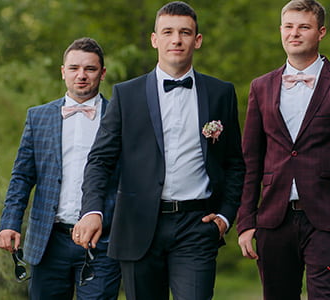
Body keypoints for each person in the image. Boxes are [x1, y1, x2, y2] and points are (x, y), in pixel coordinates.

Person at [72, 1, 245, 299]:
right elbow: (100, 160)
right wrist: (92, 210)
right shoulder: (126, 95)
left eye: (185, 32)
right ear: (155, 39)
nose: (176, 40)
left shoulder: (221, 93)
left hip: (197, 226)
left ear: (197, 40)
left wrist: (226, 216)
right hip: (138, 226)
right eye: (167, 32)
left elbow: (234, 163)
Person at [236, 0, 330, 299]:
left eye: (304, 26)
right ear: (280, 31)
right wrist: (246, 222)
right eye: (288, 26)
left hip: (328, 219)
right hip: (273, 220)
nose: (294, 33)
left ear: (321, 32)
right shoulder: (260, 87)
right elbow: (250, 160)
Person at [0, 37, 121, 299]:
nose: (81, 75)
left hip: (103, 241)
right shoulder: (38, 117)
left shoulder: (119, 117)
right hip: (49, 239)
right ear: (63, 72)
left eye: (90, 69)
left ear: (103, 73)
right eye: (74, 68)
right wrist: (9, 223)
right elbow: (22, 176)